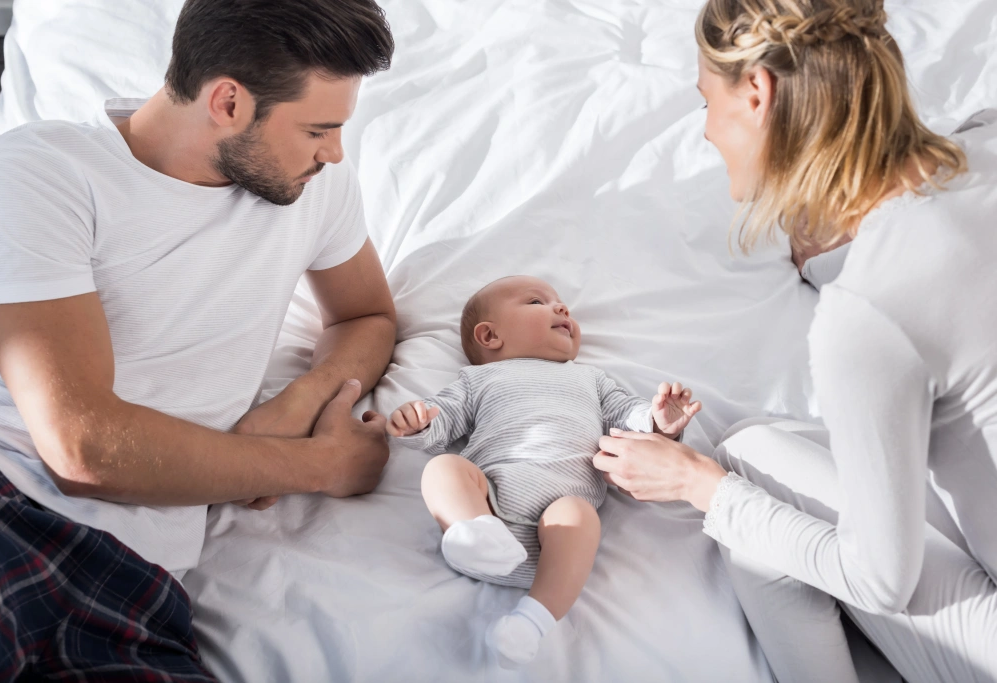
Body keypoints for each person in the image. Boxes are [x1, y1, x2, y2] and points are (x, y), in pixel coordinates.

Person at [0, 0, 397, 679]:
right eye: (319, 128)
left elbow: (367, 316)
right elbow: (82, 447)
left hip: (135, 584)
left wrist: (295, 406)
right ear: (228, 101)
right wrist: (322, 465)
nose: (335, 151)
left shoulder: (317, 187)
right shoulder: (41, 170)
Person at [592, 1, 997, 682]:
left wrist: (699, 486)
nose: (706, 133)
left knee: (743, 469)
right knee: (757, 445)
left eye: (706, 103)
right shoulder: (982, 148)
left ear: (757, 93)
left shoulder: (867, 314)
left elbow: (880, 582)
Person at [386, 275, 701, 668]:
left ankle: (531, 621)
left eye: (560, 302)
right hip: (490, 505)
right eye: (537, 302)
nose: (562, 308)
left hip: (555, 540)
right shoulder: (478, 379)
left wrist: (658, 421)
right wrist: (416, 421)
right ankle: (467, 528)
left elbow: (626, 415)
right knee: (444, 467)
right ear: (490, 336)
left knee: (580, 514)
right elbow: (442, 420)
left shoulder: (590, 378)